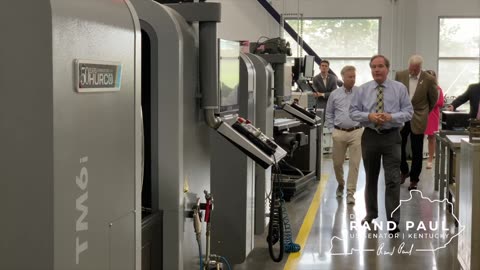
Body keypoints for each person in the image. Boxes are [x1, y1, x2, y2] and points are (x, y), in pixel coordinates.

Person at [350, 55, 413, 233]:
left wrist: (392, 117)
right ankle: (371, 214)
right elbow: (353, 112)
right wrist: (368, 116)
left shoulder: (399, 88)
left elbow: (408, 112)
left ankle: (393, 220)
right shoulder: (362, 90)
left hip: (392, 137)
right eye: (373, 67)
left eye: (380, 66)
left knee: (392, 180)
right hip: (370, 137)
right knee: (371, 178)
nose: (376, 70)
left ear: (387, 68)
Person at [394, 55, 438, 190]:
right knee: (398, 145)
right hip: (402, 116)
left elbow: (433, 99)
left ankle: (414, 179)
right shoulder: (400, 75)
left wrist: (424, 112)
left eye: (415, 69)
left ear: (420, 67)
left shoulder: (429, 79)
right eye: (410, 69)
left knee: (417, 149)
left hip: (419, 117)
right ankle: (404, 171)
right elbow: (396, 95)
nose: (412, 71)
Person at [325, 65, 363, 204]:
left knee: (354, 164)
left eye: (354, 76)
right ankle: (341, 184)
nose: (353, 79)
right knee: (337, 163)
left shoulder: (360, 92)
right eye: (350, 77)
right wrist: (331, 130)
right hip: (339, 132)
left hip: (356, 132)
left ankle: (350, 192)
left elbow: (366, 110)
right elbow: (329, 113)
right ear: (343, 77)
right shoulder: (335, 94)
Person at [424, 70, 444, 169]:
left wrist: (428, 101)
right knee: (418, 138)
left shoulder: (438, 89)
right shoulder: (421, 88)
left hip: (432, 116)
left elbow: (440, 103)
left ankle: (430, 159)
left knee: (431, 138)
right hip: (421, 115)